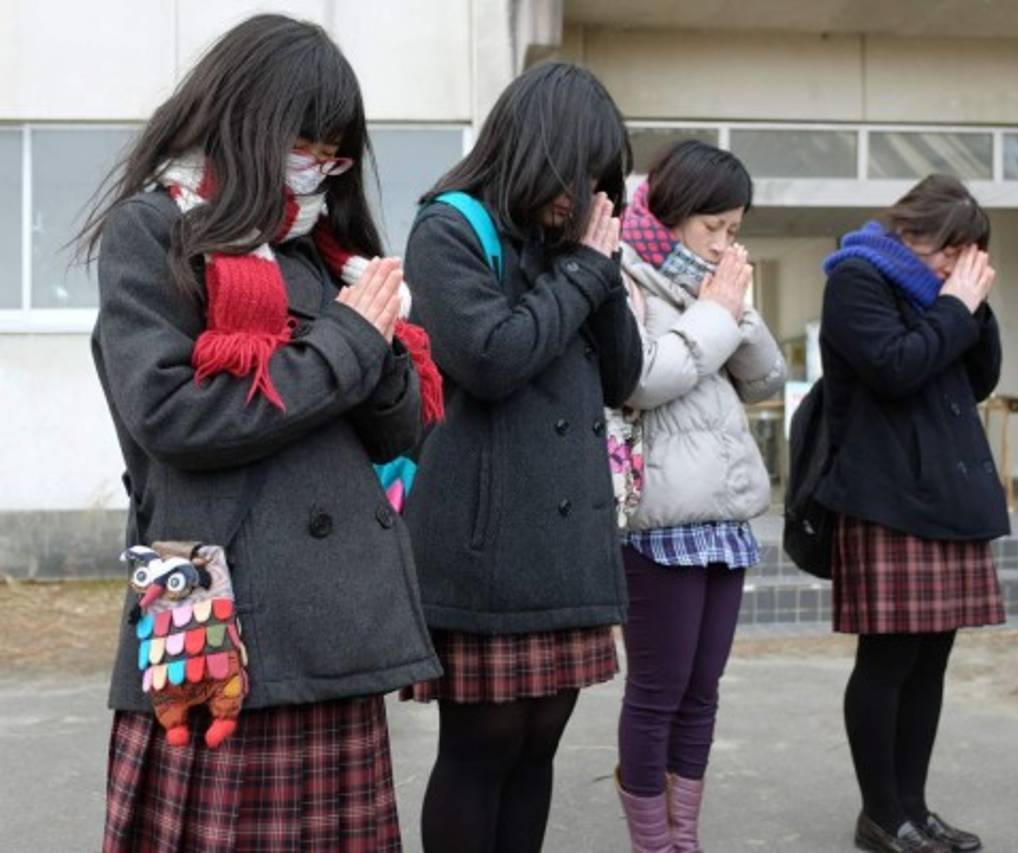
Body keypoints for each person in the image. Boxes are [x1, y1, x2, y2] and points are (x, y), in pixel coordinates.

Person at [82, 14, 441, 850]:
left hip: (335, 621)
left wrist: (383, 338)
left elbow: (397, 430)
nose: (317, 163)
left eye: (334, 149)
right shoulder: (156, 231)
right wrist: (349, 341)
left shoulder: (325, 250)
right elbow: (172, 414)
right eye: (303, 138)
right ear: (243, 118)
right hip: (224, 622)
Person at [402, 61, 643, 853]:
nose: (588, 196)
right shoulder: (449, 228)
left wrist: (601, 272)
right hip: (486, 546)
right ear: (541, 153)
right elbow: (490, 356)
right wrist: (582, 270)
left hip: (567, 546)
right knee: (482, 747)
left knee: (540, 741)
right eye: (585, 175)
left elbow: (623, 374)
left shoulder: (572, 246)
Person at [816, 174, 1007, 853]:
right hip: (887, 497)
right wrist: (954, 306)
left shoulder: (945, 296)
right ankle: (881, 814)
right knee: (888, 659)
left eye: (966, 254)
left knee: (931, 659)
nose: (954, 265)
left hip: (948, 495)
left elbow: (978, 378)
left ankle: (916, 810)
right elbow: (895, 367)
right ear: (915, 231)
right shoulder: (856, 277)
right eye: (949, 249)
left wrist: (973, 309)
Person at [613, 140, 785, 852]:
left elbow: (769, 374)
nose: (723, 241)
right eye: (712, 226)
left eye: (735, 230)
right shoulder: (620, 270)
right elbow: (640, 378)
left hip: (721, 513)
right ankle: (653, 842)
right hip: (655, 518)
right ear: (672, 212)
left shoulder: (715, 282)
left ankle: (686, 837)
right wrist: (713, 310)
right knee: (658, 691)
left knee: (703, 691)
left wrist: (732, 306)